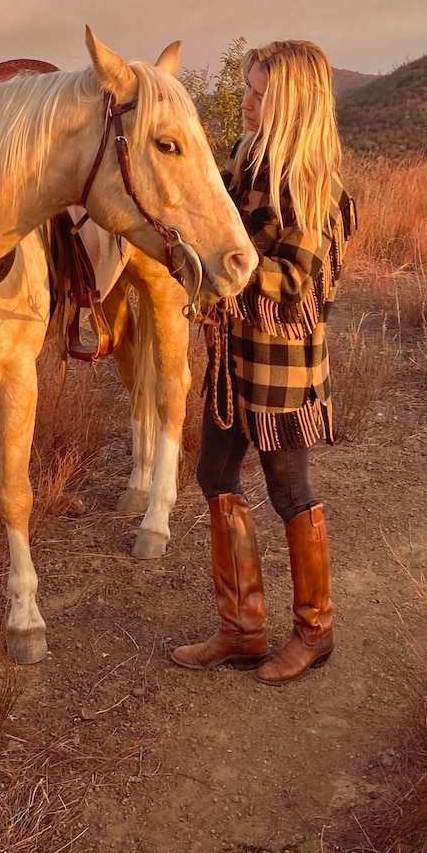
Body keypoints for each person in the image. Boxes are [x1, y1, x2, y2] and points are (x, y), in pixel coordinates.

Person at [172, 40, 356, 685]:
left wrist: (224, 264)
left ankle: (316, 629)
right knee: (214, 473)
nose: (247, 103)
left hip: (282, 362)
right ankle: (243, 629)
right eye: (247, 90)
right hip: (232, 355)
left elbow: (299, 277)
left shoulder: (311, 185)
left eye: (260, 96)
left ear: (294, 107)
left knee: (288, 490)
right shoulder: (246, 159)